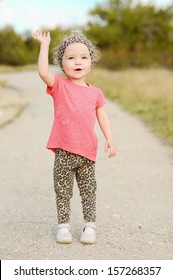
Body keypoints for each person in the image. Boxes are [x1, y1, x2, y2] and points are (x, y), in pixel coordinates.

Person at [33, 30, 116, 245]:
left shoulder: (95, 92)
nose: (77, 62)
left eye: (83, 57)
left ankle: (90, 225)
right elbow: (43, 72)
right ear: (62, 65)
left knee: (89, 190)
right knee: (62, 190)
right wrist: (44, 45)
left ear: (91, 62)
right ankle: (63, 226)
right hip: (64, 151)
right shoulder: (59, 85)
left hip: (88, 153)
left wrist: (110, 139)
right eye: (70, 58)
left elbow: (102, 116)